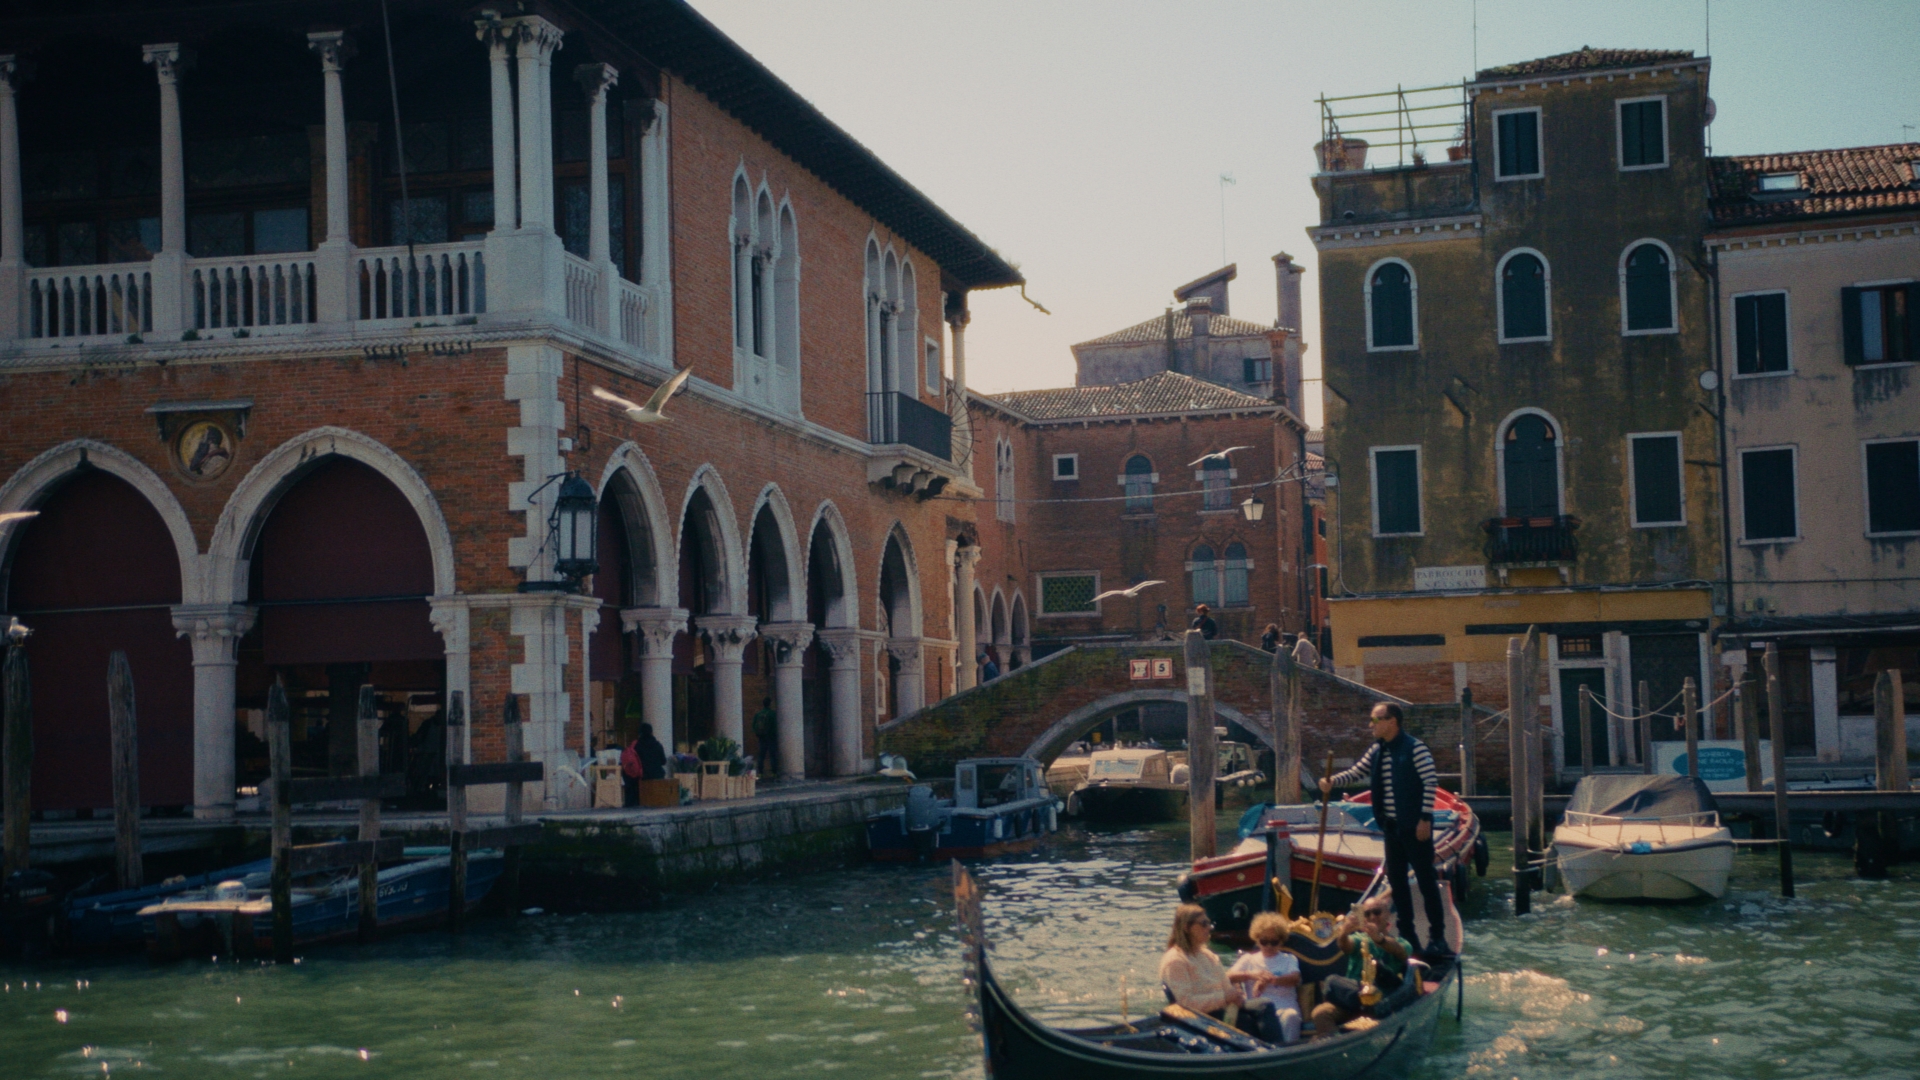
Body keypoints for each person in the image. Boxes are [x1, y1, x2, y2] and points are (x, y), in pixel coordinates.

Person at [1320, 702, 1448, 956]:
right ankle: (1409, 937)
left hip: (1415, 826)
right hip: (1392, 828)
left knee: (1426, 882)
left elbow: (1430, 783)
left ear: (1392, 721)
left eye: (1376, 720)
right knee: (1398, 883)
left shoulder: (1415, 748)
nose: (1371, 725)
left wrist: (1425, 819)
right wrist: (1332, 781)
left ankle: (1438, 937)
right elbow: (1357, 772)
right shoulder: (1377, 750)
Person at [1309, 895, 1410, 1036]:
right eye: (1367, 914)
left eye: (1377, 912)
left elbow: (1402, 952)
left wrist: (1379, 939)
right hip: (1352, 1000)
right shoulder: (1359, 939)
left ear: (1387, 914)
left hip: (1383, 1001)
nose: (1372, 917)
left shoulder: (1400, 942)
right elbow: (1345, 945)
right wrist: (1344, 932)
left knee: (1333, 982)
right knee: (1320, 1012)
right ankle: (1338, 1045)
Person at [1227, 912, 1303, 1043]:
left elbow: (1295, 978)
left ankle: (1288, 1050)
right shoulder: (1248, 959)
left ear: (1281, 941)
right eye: (1264, 941)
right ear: (1257, 939)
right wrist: (1252, 975)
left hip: (1285, 1008)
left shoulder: (1289, 959)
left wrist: (1270, 980)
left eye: (1274, 942)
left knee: (1291, 1016)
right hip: (1259, 1011)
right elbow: (1228, 976)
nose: (1269, 946)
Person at [1159, 904, 1244, 1020]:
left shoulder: (1209, 956)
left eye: (1209, 923)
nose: (1209, 928)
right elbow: (1185, 1003)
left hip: (1224, 1011)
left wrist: (1236, 996)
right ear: (1186, 927)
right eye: (1204, 924)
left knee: (1262, 1007)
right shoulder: (1175, 960)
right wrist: (1224, 998)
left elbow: (1226, 988)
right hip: (1200, 1020)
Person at [750, 697, 778, 776]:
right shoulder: (772, 713)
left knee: (761, 755)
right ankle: (774, 772)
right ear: (770, 704)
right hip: (771, 737)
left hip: (761, 737)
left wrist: (758, 734)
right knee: (772, 755)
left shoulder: (758, 714)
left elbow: (753, 726)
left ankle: (760, 772)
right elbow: (775, 726)